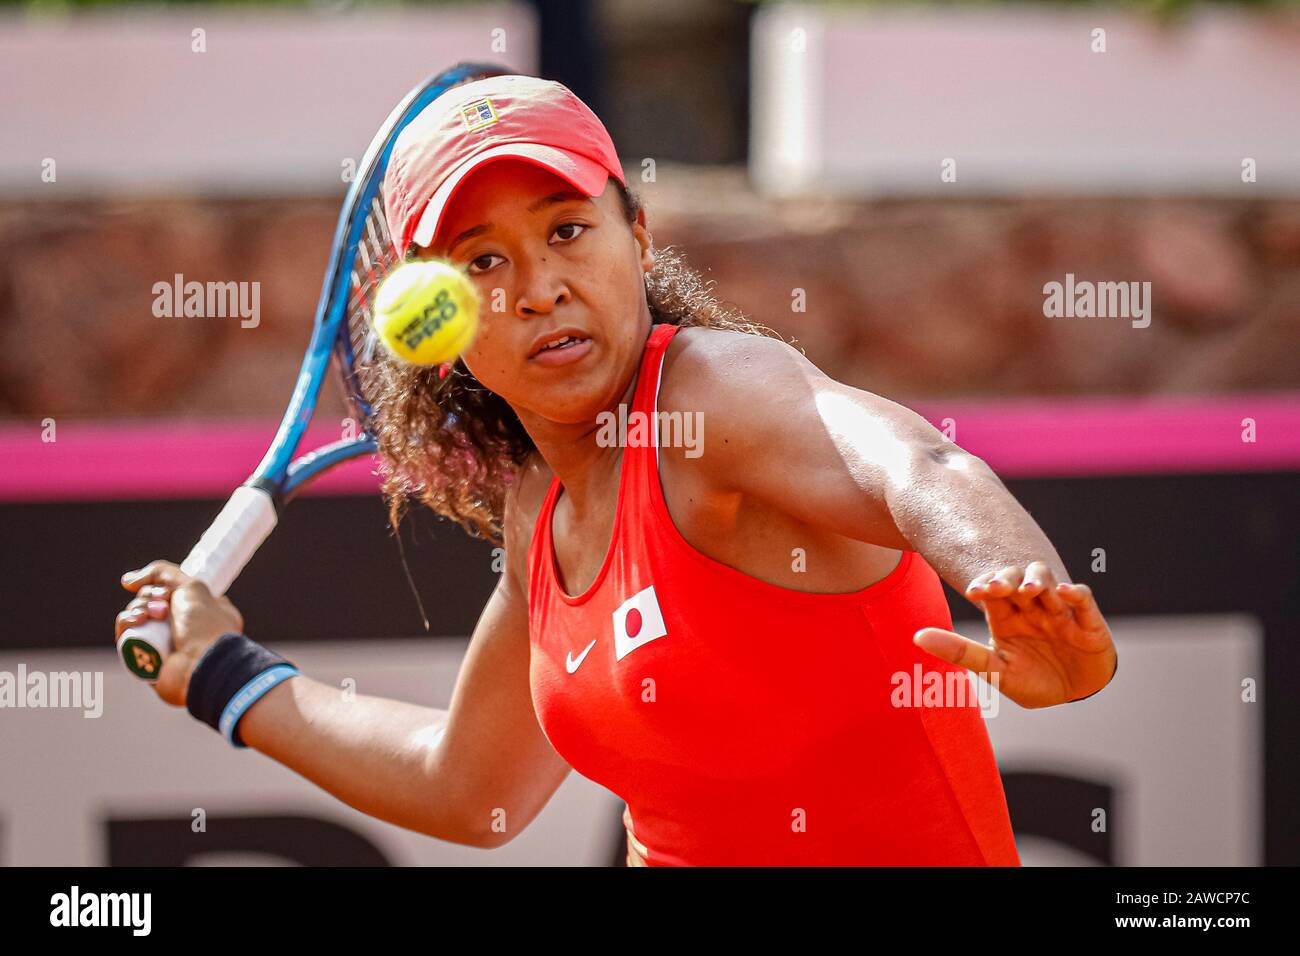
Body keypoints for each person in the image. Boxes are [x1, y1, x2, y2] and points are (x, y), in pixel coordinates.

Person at [116, 73, 1117, 866]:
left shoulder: (713, 397)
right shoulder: (537, 507)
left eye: (565, 230)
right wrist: (220, 672)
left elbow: (913, 461)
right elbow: (470, 786)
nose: (540, 286)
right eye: (483, 262)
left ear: (633, 237)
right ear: (437, 317)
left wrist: (1006, 577)